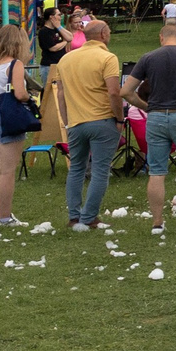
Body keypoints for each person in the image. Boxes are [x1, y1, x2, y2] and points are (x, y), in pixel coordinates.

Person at [123, 19, 176, 236]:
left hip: (156, 118)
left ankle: (157, 223)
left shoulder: (148, 58)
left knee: (157, 171)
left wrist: (147, 107)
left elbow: (125, 92)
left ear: (161, 38)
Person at [55, 19, 125, 232]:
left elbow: (60, 93)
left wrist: (67, 121)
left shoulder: (66, 59)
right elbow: (113, 92)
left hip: (76, 122)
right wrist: (120, 118)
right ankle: (89, 216)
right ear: (103, 34)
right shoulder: (107, 57)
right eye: (109, 31)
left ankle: (74, 216)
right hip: (102, 120)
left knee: (76, 169)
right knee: (100, 169)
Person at [0, 24, 34, 226]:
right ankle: (5, 217)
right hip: (7, 116)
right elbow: (19, 93)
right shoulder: (15, 64)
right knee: (7, 171)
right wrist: (30, 97)